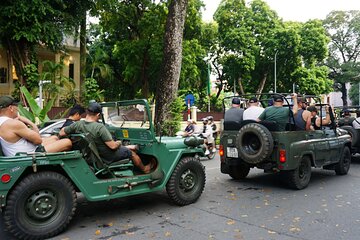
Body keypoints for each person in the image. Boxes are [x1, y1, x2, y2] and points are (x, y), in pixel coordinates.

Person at [59, 102, 153, 173]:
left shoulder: (77, 125)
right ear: (98, 115)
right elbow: (113, 146)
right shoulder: (99, 127)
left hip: (90, 155)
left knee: (125, 148)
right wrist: (119, 142)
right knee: (131, 153)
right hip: (105, 156)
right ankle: (145, 169)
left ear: (87, 113)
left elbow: (62, 132)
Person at [0, 96, 72, 156]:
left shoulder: (3, 122)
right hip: (30, 154)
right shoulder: (13, 124)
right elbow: (38, 140)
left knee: (54, 138)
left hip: (21, 153)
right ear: (11, 108)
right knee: (67, 142)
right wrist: (31, 124)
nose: (18, 109)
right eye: (16, 107)